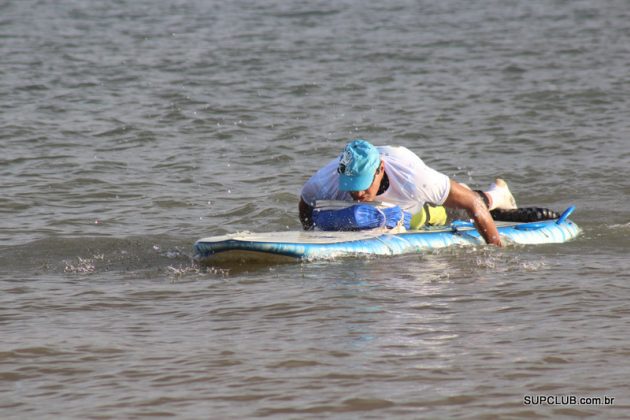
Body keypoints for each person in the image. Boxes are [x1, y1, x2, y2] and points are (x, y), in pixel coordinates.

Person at [298, 139, 517, 246]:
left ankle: (497, 195)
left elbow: (472, 204)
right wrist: (312, 235)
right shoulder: (325, 180)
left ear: (380, 169)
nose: (357, 193)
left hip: (412, 193)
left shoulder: (414, 178)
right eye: (351, 185)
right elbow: (305, 202)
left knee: (443, 212)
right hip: (388, 194)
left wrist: (495, 252)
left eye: (364, 185)